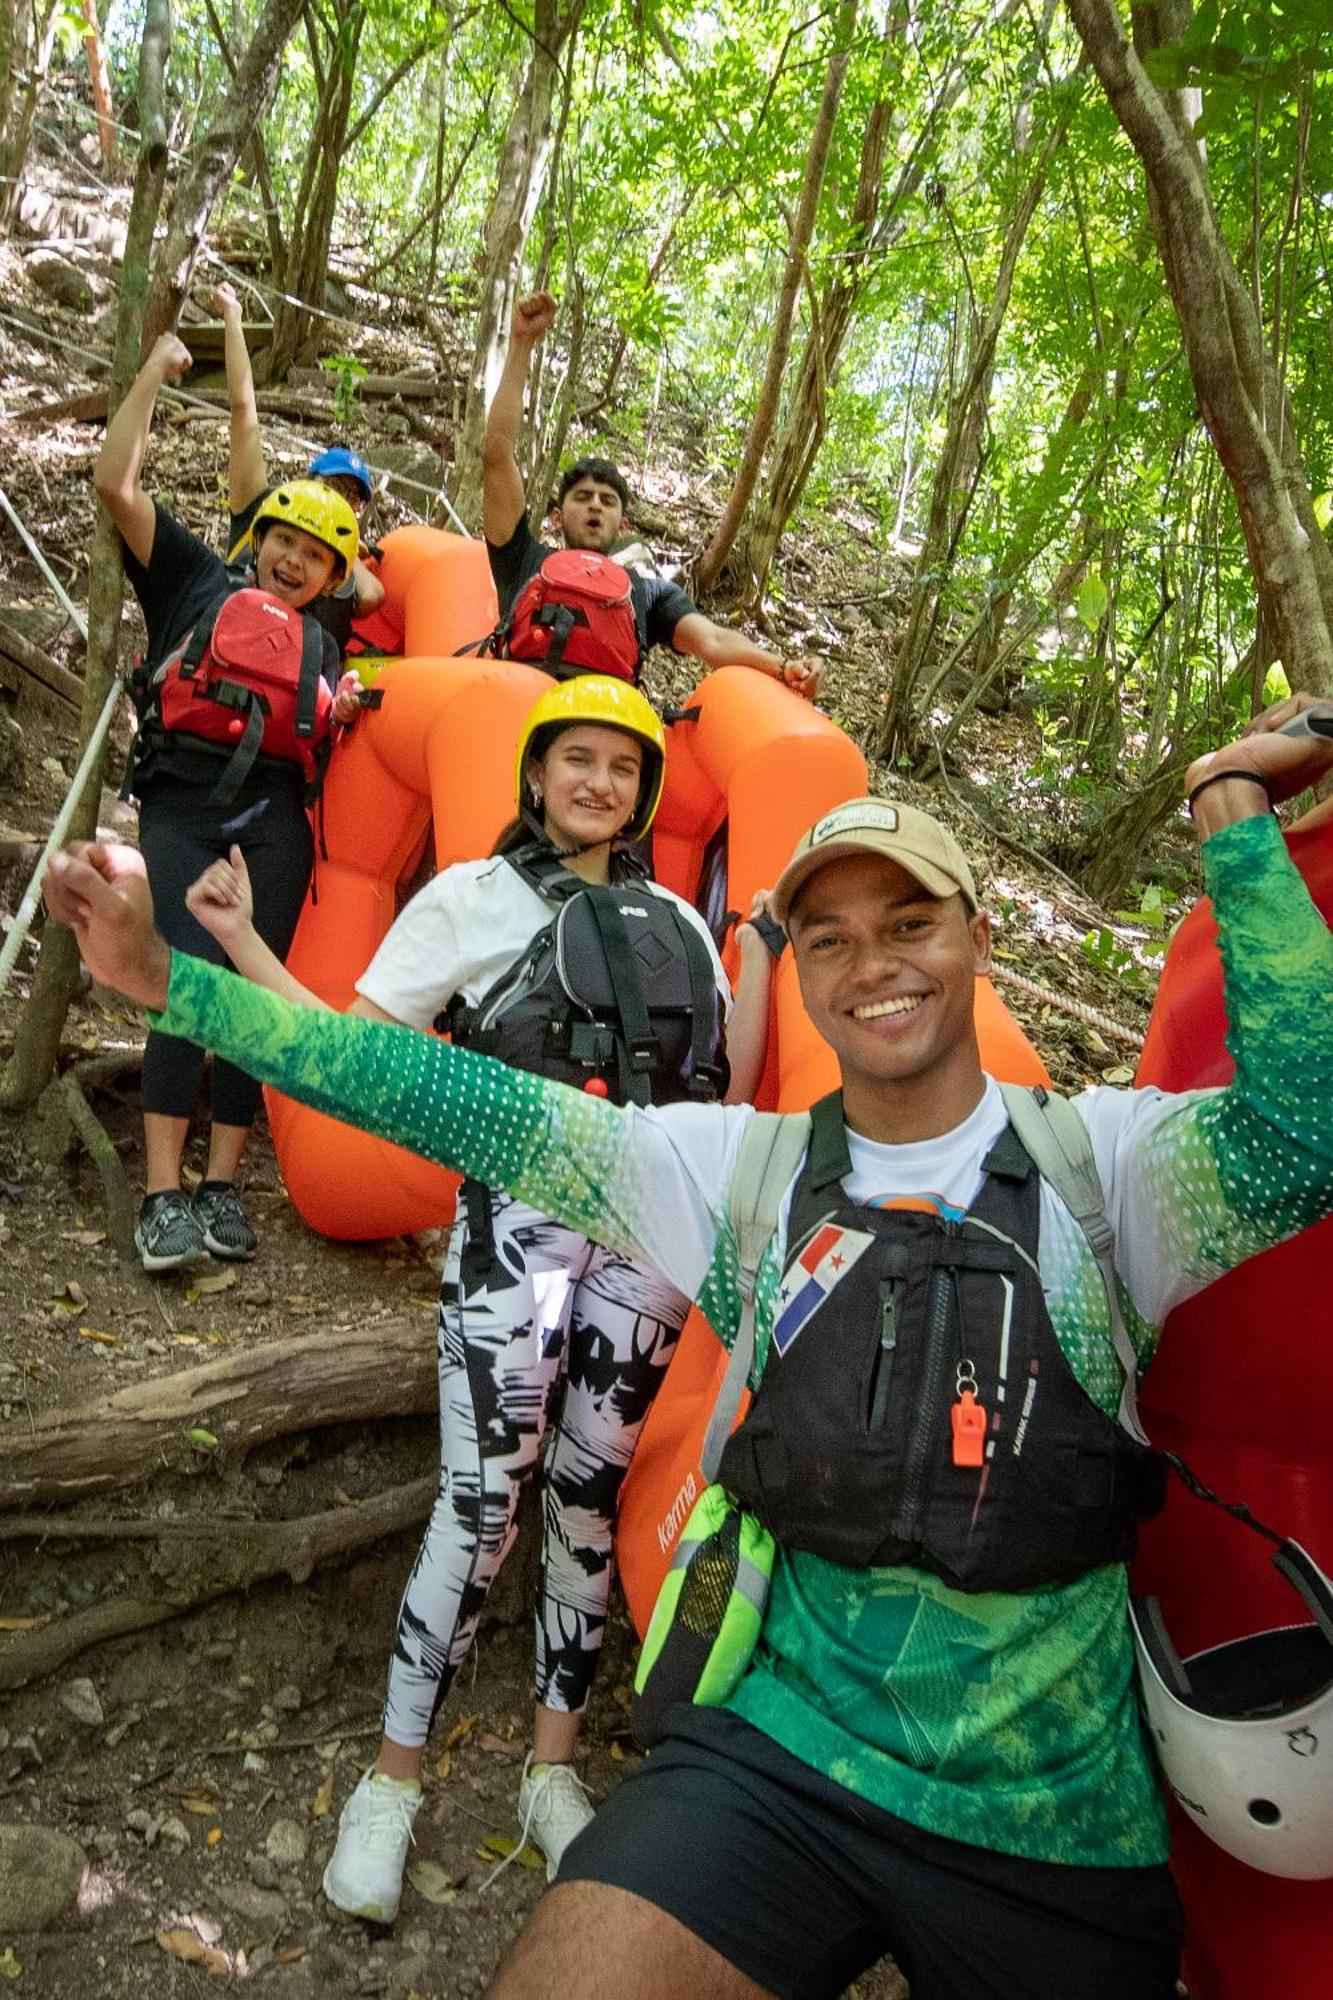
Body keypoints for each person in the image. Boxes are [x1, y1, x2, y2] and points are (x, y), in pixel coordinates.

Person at [46, 698, 1333, 1998]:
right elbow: (435, 1089)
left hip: (1051, 1822)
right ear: (805, 973)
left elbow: (1304, 1129)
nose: (869, 959)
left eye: (909, 921)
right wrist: (176, 984)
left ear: (977, 942)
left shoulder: (1107, 1167)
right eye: (827, 935)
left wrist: (1229, 810)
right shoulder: (739, 1176)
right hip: (774, 1762)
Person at [181, 674, 772, 1917]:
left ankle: (548, 1774)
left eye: (622, 765)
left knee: (590, 1497)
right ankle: (391, 1781)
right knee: (480, 1500)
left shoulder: (672, 911)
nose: (598, 783)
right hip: (516, 1225)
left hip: (647, 1238)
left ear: (644, 791)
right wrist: (241, 945)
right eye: (577, 760)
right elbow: (355, 1055)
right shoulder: (472, 896)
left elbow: (722, 1090)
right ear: (537, 774)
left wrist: (758, 960)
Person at [93, 331, 365, 1273]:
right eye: (283, 540)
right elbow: (114, 484)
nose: (293, 560)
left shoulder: (330, 651)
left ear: (333, 579)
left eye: (315, 554)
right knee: (182, 989)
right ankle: (162, 1196)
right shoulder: (195, 580)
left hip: (273, 829)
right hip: (181, 811)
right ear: (259, 540)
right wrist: (155, 375)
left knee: (252, 998)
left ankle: (223, 1187)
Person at [484, 292, 824, 698]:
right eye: (583, 497)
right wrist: (522, 344)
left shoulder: (647, 592)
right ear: (556, 516)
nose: (595, 504)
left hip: (599, 734)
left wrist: (783, 666)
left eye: (608, 501)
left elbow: (712, 642)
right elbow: (497, 453)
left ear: (624, 525)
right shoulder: (522, 558)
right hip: (517, 711)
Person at [212, 282, 387, 654]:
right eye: (334, 486)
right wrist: (232, 318)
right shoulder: (261, 508)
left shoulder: (342, 564)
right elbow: (244, 412)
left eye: (352, 496)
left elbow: (373, 596)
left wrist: (339, 553)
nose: (341, 498)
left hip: (296, 690)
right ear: (310, 480)